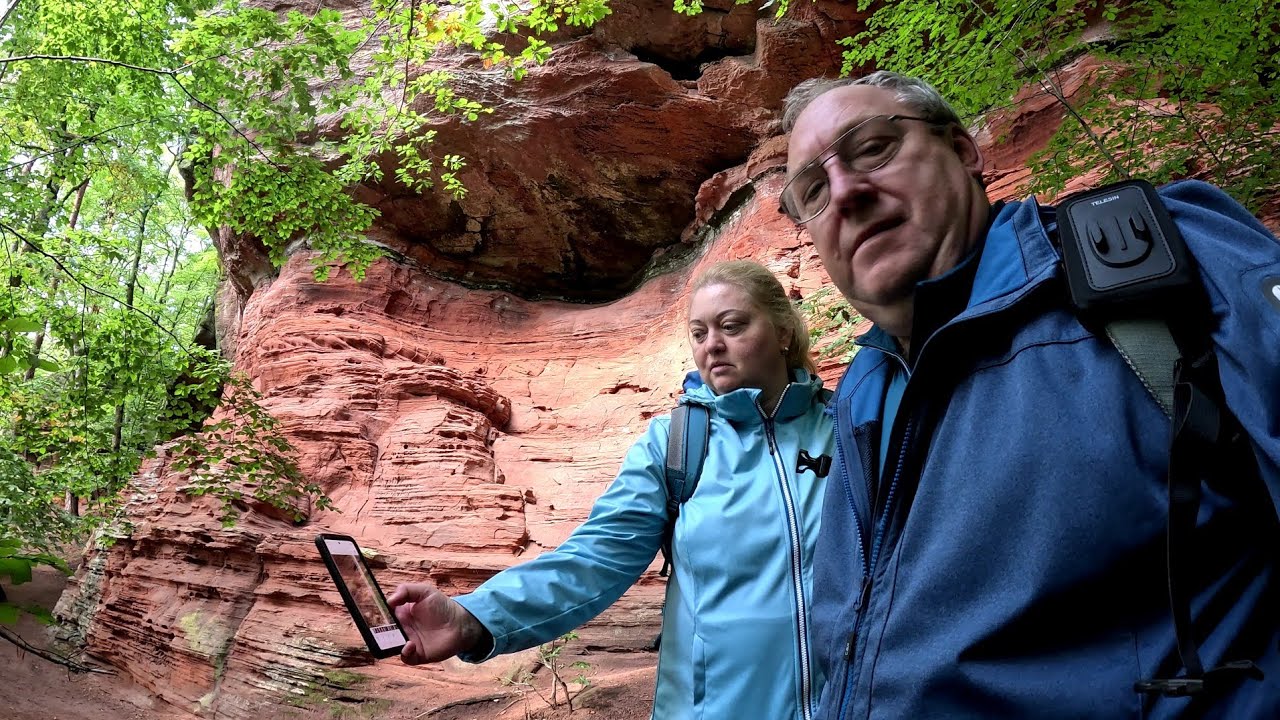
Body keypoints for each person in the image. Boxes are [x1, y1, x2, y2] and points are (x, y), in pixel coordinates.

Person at [778, 70, 1280, 719]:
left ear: (963, 150)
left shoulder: (1155, 265)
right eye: (812, 190)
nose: (845, 192)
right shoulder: (863, 390)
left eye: (873, 147)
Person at [388, 260, 836, 719]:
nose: (713, 346)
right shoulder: (677, 443)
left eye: (732, 326)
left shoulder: (847, 429)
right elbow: (595, 558)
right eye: (699, 333)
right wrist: (472, 618)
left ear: (783, 332)